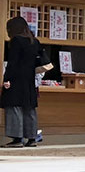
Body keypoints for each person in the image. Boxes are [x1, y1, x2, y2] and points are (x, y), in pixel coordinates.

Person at [2, 16, 51, 147]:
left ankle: (17, 139)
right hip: (29, 79)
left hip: (16, 79)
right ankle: (31, 138)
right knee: (29, 109)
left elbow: (13, 63)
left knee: (14, 107)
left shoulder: (16, 41)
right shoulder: (34, 41)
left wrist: (6, 79)